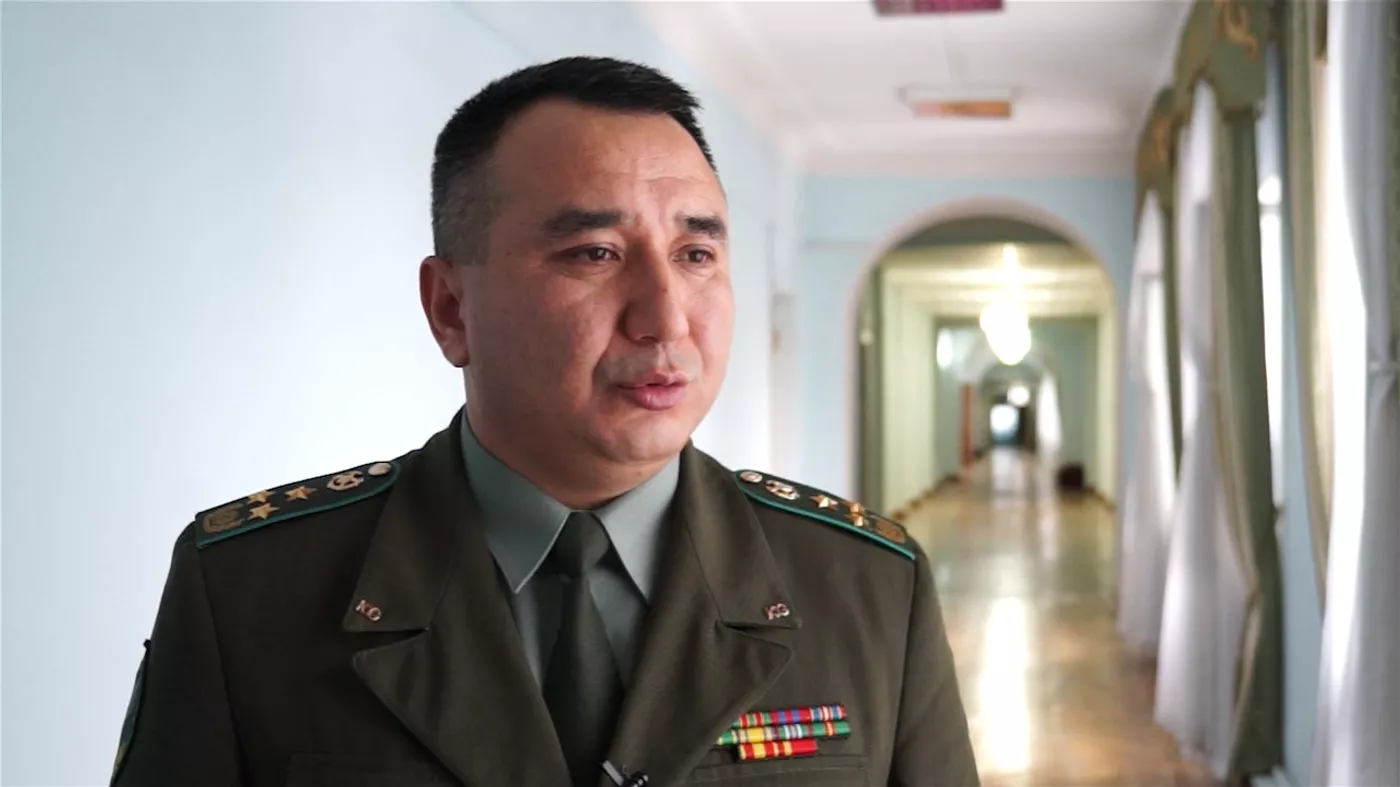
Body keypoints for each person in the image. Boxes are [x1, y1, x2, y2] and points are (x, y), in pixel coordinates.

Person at [110, 56, 979, 787]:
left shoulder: (868, 586)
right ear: (451, 307)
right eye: (595, 253)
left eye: (696, 254)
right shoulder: (250, 590)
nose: (666, 319)